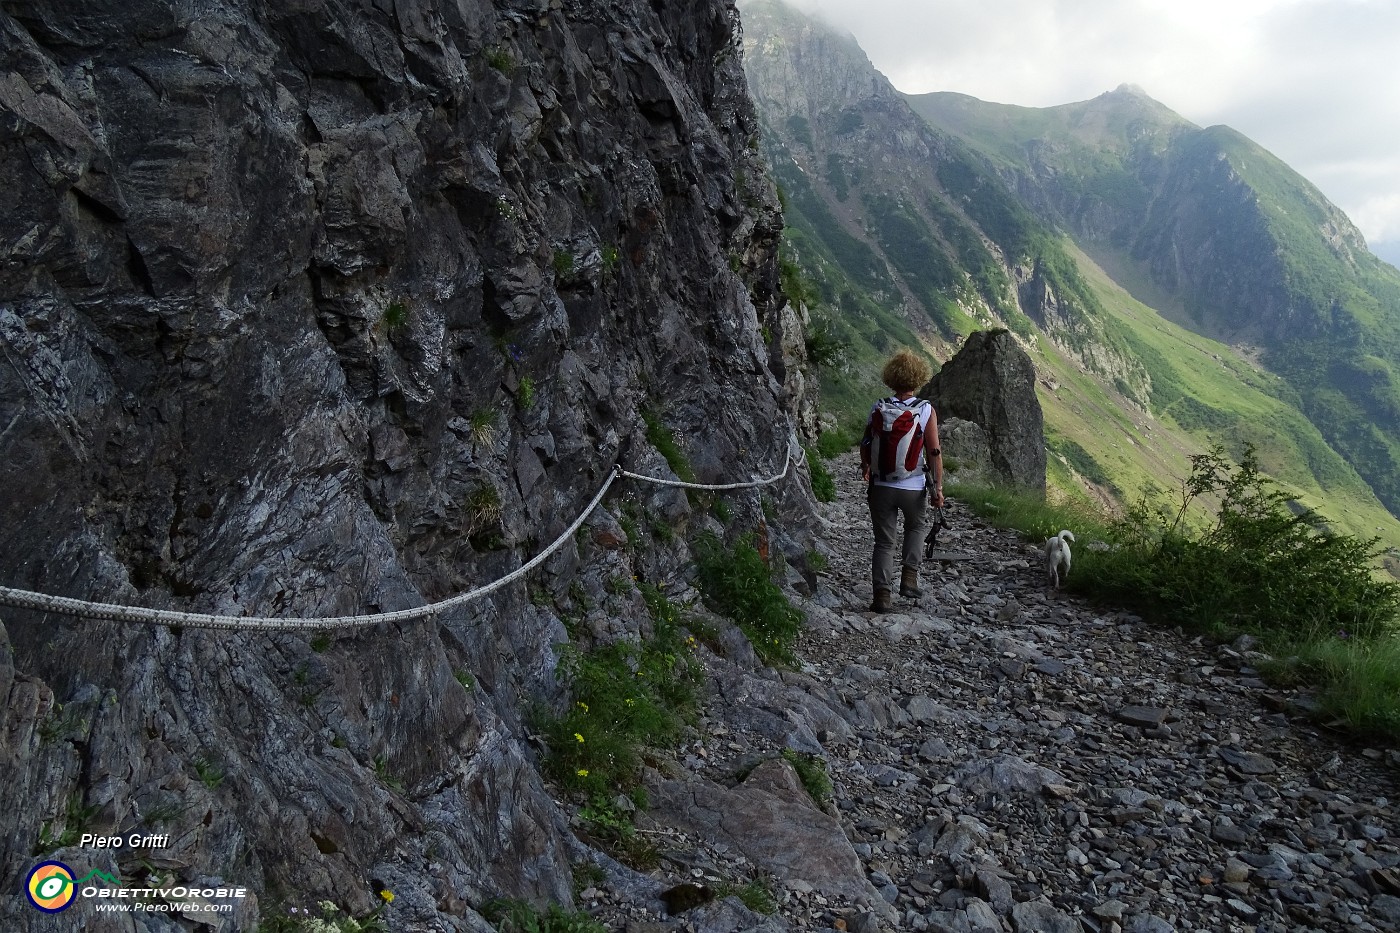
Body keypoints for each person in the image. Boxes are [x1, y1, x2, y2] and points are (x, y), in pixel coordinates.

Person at [859, 349, 943, 613]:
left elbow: (866, 442)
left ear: (891, 378)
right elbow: (934, 452)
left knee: (884, 542)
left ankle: (882, 596)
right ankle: (909, 578)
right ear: (918, 379)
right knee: (916, 527)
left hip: (881, 485)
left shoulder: (879, 406)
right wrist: (938, 488)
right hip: (913, 486)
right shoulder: (925, 409)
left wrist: (867, 466)